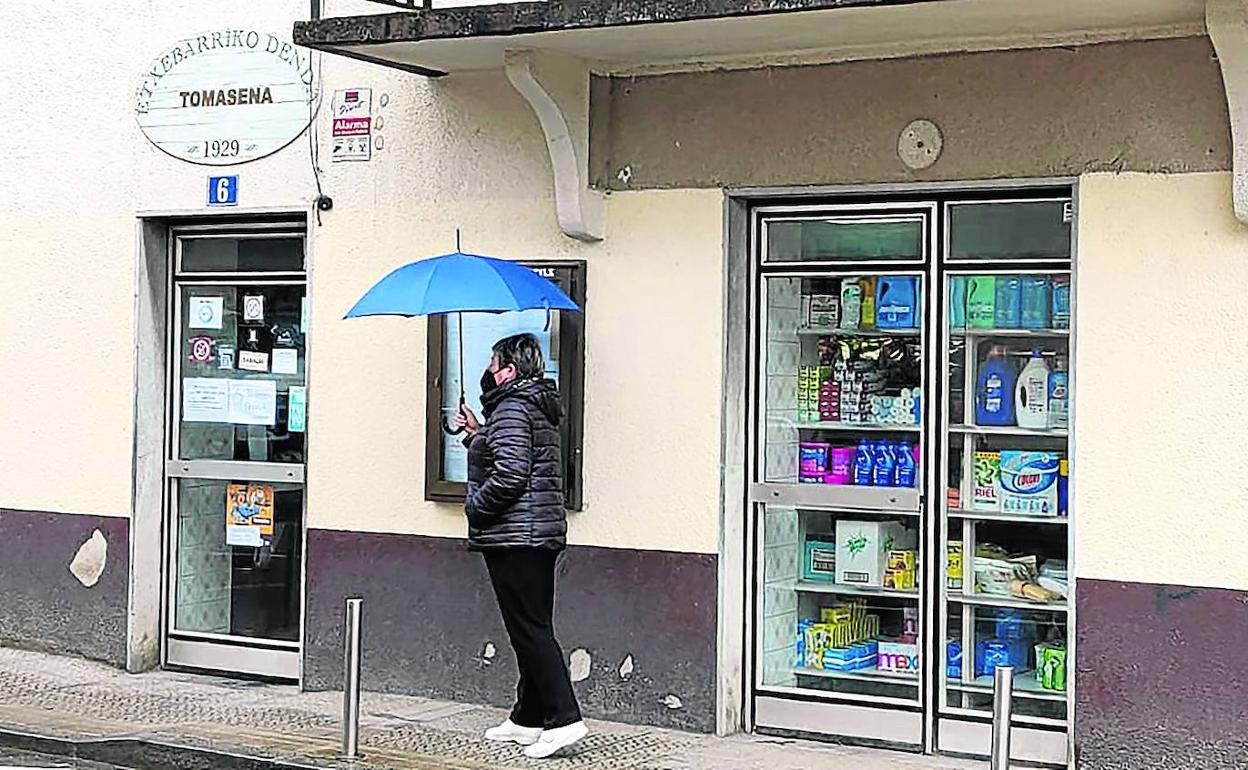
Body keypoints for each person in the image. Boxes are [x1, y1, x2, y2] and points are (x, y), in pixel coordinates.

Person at [454, 333, 588, 759]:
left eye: (493, 364)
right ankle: (528, 717)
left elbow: (510, 475)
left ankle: (565, 719)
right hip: (535, 534)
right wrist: (477, 433)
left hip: (516, 536)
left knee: (530, 630)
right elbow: (511, 458)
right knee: (528, 628)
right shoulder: (529, 405)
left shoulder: (512, 408)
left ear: (509, 370)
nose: (488, 371)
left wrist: (476, 505)